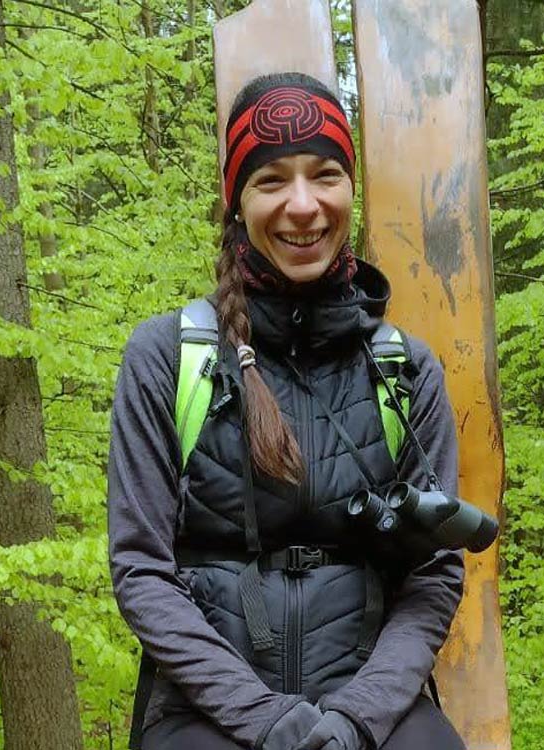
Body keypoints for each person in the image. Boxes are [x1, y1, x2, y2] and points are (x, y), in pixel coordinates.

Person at [108, 73, 467, 750]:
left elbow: (435, 573)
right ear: (236, 202)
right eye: (271, 180)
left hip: (372, 705)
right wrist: (268, 721)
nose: (303, 206)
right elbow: (142, 570)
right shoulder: (168, 358)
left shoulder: (404, 370)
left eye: (324, 175)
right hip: (208, 709)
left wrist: (355, 719)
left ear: (349, 189)